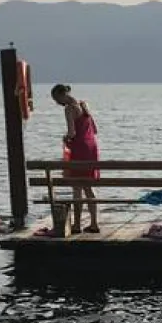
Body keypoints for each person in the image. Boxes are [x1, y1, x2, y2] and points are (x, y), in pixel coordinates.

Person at [53, 84, 101, 234]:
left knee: (77, 188)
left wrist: (65, 138)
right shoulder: (84, 104)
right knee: (88, 187)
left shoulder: (69, 109)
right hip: (91, 148)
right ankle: (94, 223)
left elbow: (72, 133)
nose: (57, 103)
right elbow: (95, 130)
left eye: (56, 99)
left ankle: (77, 225)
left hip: (79, 149)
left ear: (61, 95)